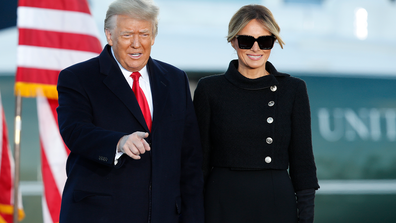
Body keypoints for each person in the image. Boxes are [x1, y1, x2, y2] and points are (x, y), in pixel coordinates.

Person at [56, 0, 204, 222]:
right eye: (127, 35)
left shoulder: (175, 79)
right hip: (100, 215)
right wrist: (118, 142)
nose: (137, 44)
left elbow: (190, 157)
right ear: (109, 35)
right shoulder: (78, 78)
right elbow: (74, 130)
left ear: (153, 36)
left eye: (144, 34)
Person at [193, 4, 319, 223]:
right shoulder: (209, 89)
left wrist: (306, 217)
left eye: (264, 41)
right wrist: (192, 213)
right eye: (246, 40)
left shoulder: (292, 90)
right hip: (222, 201)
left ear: (273, 43)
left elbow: (303, 162)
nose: (255, 48)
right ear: (233, 40)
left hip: (274, 201)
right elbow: (199, 161)